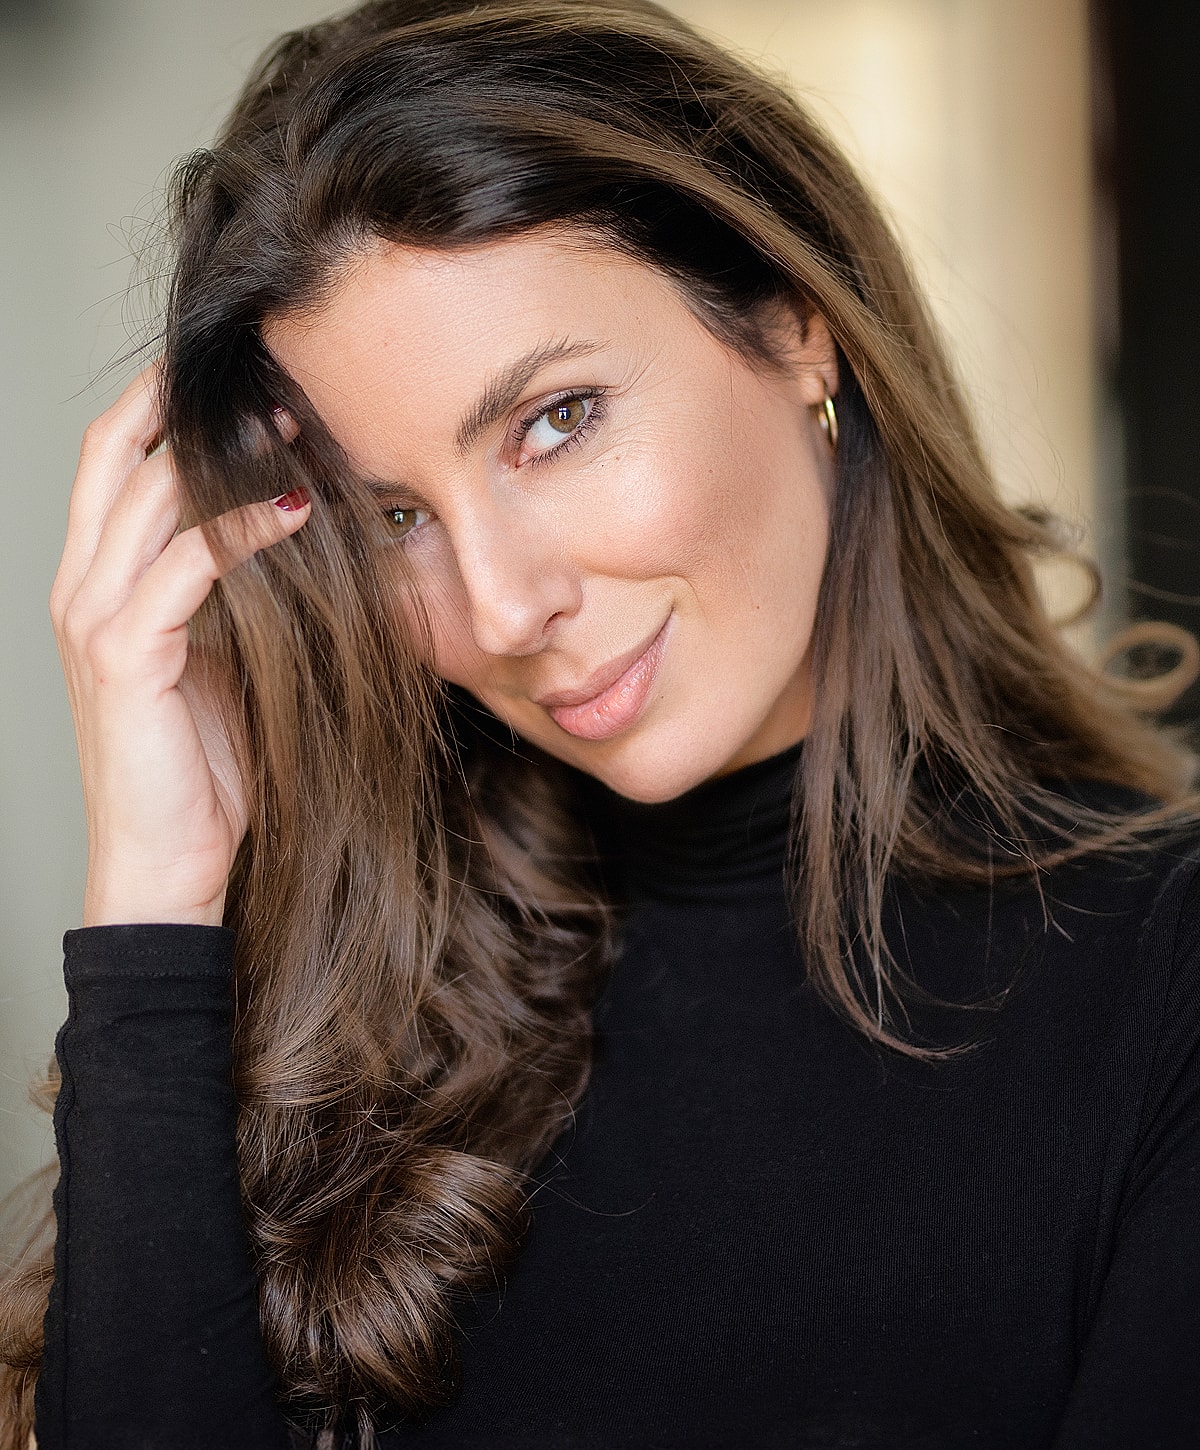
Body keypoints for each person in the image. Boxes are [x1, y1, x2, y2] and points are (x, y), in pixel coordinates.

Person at [2, 0, 1200, 1445]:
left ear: (792, 320)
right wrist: (152, 904)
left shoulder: (1164, 979)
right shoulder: (350, 1007)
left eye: (556, 419)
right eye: (393, 518)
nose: (501, 609)